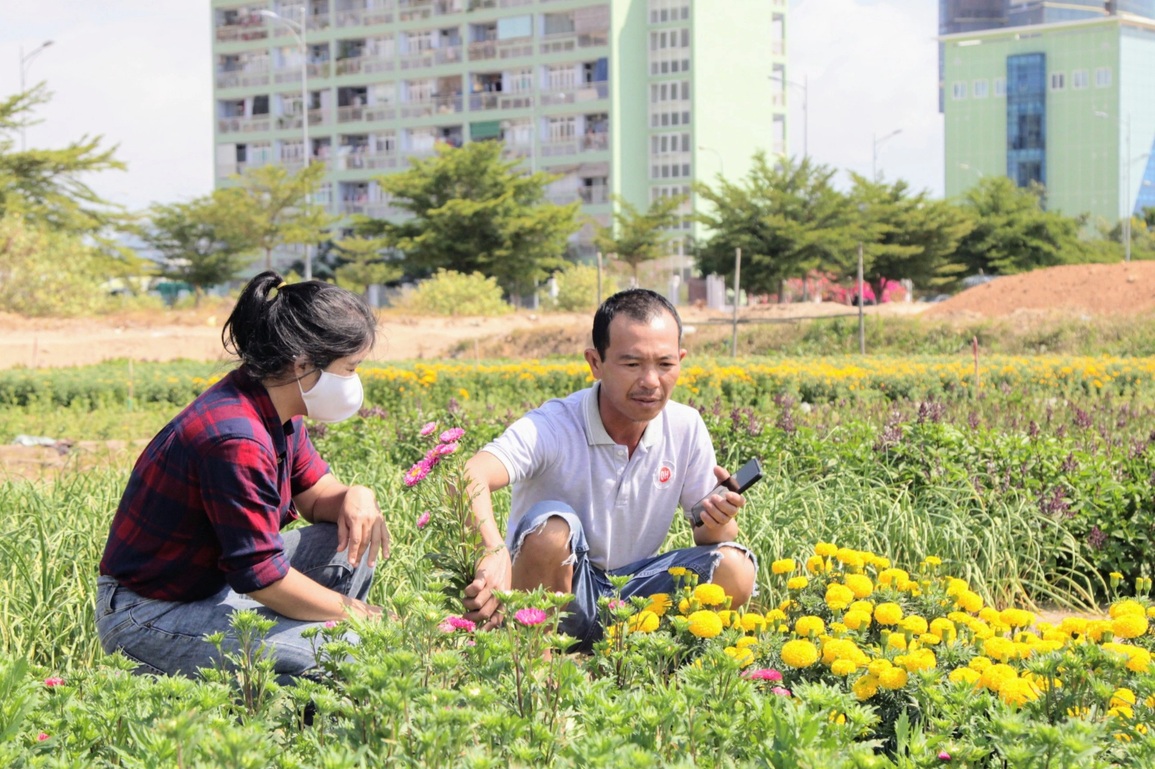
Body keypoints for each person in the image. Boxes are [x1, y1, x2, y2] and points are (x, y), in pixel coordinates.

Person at [96, 271, 389, 681]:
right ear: (303, 363)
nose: (353, 382)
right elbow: (262, 579)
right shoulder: (236, 438)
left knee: (348, 538)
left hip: (212, 584)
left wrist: (356, 494)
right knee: (348, 652)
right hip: (147, 615)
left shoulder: (274, 401)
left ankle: (305, 656)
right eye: (350, 367)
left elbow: (315, 495)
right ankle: (309, 674)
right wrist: (354, 613)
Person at [461, 288, 757, 649]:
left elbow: (709, 539)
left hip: (631, 590)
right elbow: (469, 475)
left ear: (681, 359)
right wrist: (492, 550)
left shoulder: (685, 426)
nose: (651, 381)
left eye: (665, 365)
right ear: (595, 362)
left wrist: (717, 519)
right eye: (632, 364)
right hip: (560, 589)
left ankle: (657, 659)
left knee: (735, 567)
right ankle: (537, 657)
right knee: (552, 527)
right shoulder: (553, 425)